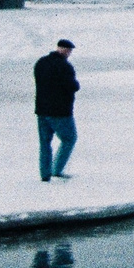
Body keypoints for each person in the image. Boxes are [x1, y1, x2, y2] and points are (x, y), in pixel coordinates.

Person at [34, 39, 79, 181]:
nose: (69, 53)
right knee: (69, 138)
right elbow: (72, 86)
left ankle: (45, 174)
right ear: (64, 49)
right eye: (69, 50)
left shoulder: (41, 62)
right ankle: (57, 169)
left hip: (42, 109)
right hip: (60, 111)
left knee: (45, 143)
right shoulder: (64, 66)